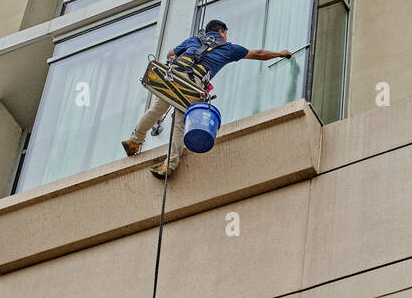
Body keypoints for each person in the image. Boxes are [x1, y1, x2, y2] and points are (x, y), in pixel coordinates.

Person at [122, 20, 293, 179]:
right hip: (192, 85)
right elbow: (258, 53)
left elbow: (170, 54)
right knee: (180, 123)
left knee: (155, 110)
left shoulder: (194, 40)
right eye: (226, 33)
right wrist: (280, 53)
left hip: (173, 77)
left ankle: (134, 141)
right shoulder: (229, 48)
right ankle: (170, 164)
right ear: (221, 32)